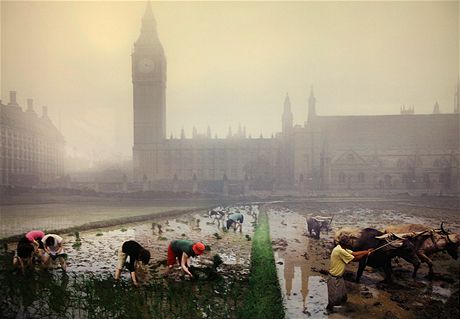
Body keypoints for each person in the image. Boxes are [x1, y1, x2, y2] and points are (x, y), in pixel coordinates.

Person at [326, 238, 372, 312]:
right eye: (347, 244)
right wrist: (366, 255)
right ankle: (330, 312)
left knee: (343, 297)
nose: (348, 246)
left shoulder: (341, 247)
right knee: (332, 301)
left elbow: (353, 253)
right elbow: (354, 259)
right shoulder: (340, 250)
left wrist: (366, 251)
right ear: (343, 244)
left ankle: (341, 308)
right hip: (333, 279)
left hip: (340, 278)